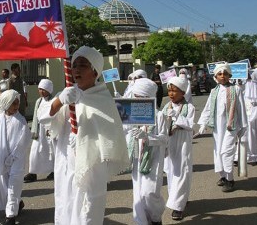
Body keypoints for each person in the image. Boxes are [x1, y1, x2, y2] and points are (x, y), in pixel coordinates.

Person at [38, 46, 129, 224]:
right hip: (66, 163)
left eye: (83, 65)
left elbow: (109, 135)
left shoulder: (103, 99)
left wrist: (84, 138)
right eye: (75, 65)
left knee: (87, 210)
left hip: (90, 167)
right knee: (66, 204)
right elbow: (43, 117)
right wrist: (60, 101)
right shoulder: (66, 95)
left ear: (95, 72)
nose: (77, 69)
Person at [197, 63, 247, 192]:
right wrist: (203, 123)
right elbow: (208, 109)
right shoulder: (214, 91)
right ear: (216, 77)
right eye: (220, 74)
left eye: (225, 74)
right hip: (217, 128)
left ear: (229, 75)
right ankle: (223, 176)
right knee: (218, 152)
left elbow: (241, 109)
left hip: (232, 126)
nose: (222, 76)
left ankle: (230, 179)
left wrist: (243, 126)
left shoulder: (236, 89)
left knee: (226, 152)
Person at [124, 78, 168, 225]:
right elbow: (123, 130)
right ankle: (142, 222)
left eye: (141, 97)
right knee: (138, 194)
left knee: (149, 193)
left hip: (153, 158)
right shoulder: (131, 112)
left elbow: (164, 139)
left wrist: (147, 137)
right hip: (137, 156)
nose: (137, 100)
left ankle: (156, 217)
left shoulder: (159, 115)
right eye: (135, 97)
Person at [0, 90, 31, 225]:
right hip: (2, 159)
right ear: (6, 103)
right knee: (5, 186)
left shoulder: (20, 120)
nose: (16, 105)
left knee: (14, 185)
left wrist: (13, 157)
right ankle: (18, 203)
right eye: (13, 103)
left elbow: (23, 141)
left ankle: (10, 217)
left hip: (16, 160)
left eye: (18, 102)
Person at [162, 77, 195, 221]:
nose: (171, 94)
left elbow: (191, 124)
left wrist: (177, 117)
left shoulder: (190, 107)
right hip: (169, 143)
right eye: (169, 90)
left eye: (174, 91)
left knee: (182, 172)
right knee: (170, 172)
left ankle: (178, 207)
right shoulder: (165, 107)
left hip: (182, 143)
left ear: (183, 92)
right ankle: (178, 198)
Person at [24, 79, 55, 183]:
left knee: (51, 151)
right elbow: (35, 117)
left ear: (49, 90)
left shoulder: (54, 100)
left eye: (43, 89)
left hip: (48, 131)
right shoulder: (39, 101)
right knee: (35, 150)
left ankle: (53, 170)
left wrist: (50, 128)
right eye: (40, 89)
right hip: (39, 131)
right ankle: (32, 172)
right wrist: (34, 130)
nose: (41, 91)